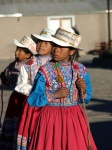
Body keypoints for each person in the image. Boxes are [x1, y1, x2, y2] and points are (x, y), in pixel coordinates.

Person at [27, 27, 97, 150]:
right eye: (55, 45)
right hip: (50, 120)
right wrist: (53, 95)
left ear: (72, 51)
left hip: (74, 119)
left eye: (61, 47)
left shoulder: (81, 70)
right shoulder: (45, 71)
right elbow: (33, 99)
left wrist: (83, 90)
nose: (56, 50)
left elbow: (86, 99)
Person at [16, 28, 55, 150]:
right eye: (39, 42)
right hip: (33, 106)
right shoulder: (28, 64)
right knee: (33, 133)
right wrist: (35, 91)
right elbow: (20, 85)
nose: (41, 45)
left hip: (52, 106)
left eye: (45, 43)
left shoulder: (57, 64)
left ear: (53, 47)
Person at [0, 36, 37, 150]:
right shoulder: (12, 65)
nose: (16, 52)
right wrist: (4, 78)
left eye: (20, 50)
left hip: (27, 99)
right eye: (17, 49)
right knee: (14, 122)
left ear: (28, 54)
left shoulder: (33, 65)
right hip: (15, 99)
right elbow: (10, 84)